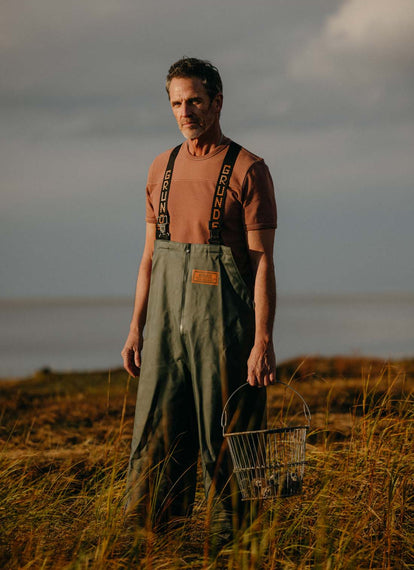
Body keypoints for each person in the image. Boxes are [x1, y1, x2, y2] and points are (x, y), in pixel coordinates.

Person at [121, 57, 277, 543]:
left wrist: (262, 340)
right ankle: (154, 545)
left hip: (226, 329)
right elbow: (149, 259)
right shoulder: (160, 168)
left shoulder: (249, 169)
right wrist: (135, 328)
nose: (184, 111)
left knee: (232, 436)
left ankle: (241, 545)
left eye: (193, 101)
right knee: (157, 435)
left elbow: (262, 265)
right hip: (165, 329)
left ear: (217, 102)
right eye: (175, 103)